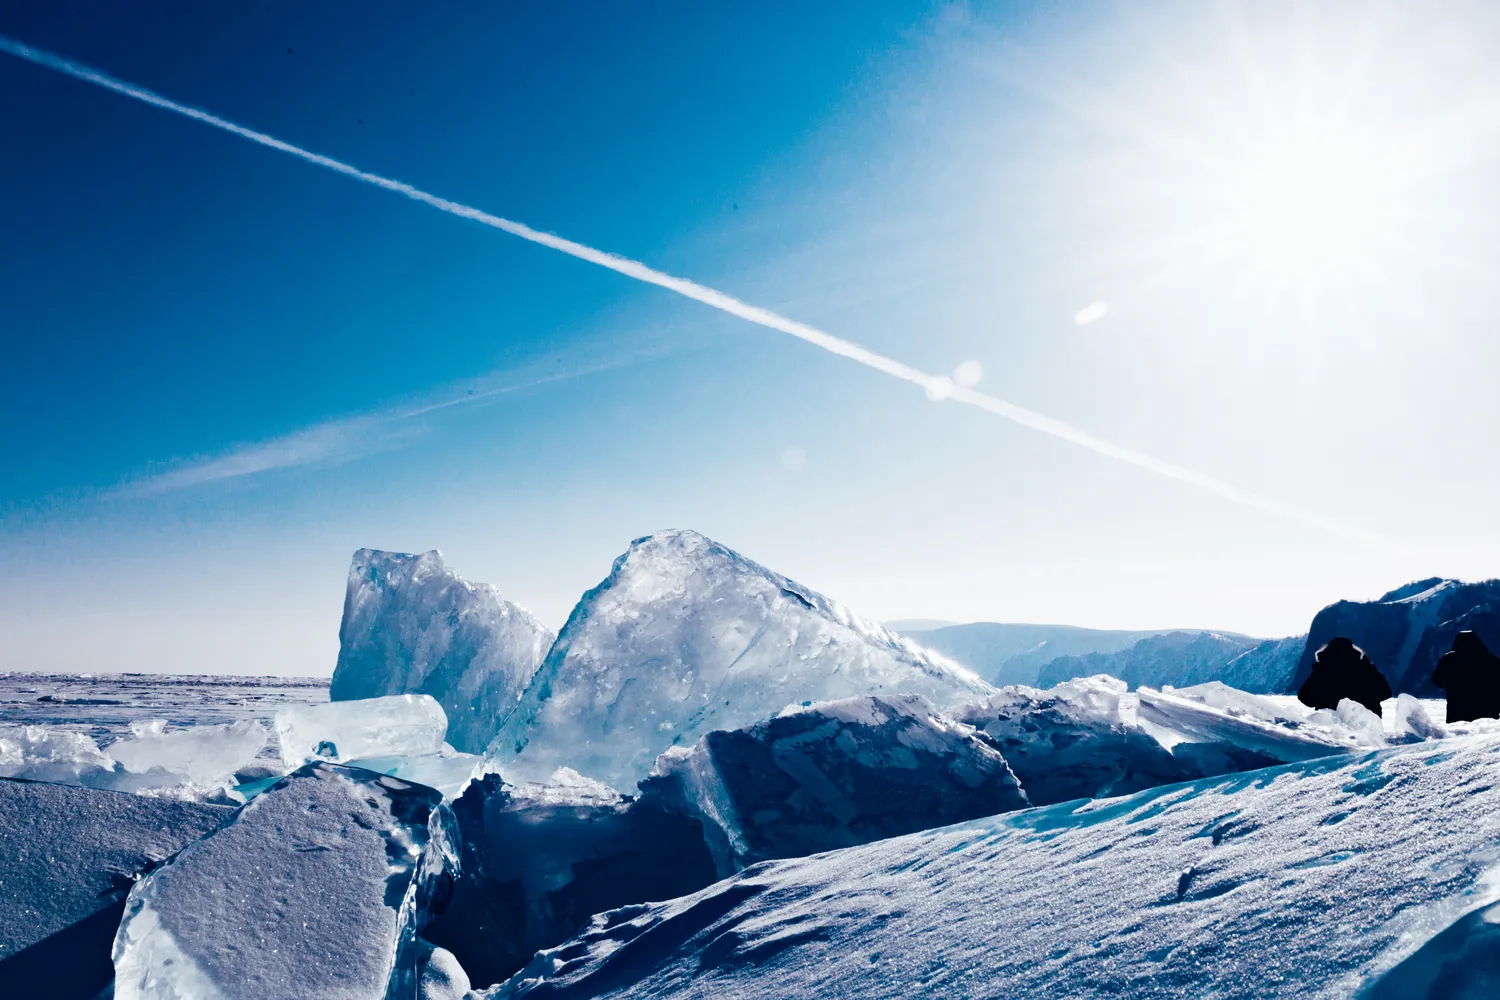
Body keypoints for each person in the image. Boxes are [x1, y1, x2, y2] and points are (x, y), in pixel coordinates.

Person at [1297, 637, 1392, 715]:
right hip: (1367, 726)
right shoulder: (1365, 669)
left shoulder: (1323, 671)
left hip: (1331, 726)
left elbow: (1305, 698)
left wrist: (1325, 698)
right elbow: (1385, 693)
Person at [1431, 630, 1500, 723]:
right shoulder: (1490, 659)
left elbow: (1436, 679)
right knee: (1485, 735)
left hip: (1457, 709)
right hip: (1487, 709)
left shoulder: (1448, 659)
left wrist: (1452, 686)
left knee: (1460, 735)